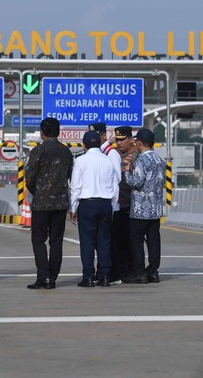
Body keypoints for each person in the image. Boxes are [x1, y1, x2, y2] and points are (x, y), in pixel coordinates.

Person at [25, 117, 73, 290]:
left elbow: (29, 178)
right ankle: (52, 277)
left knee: (38, 240)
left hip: (41, 203)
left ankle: (43, 277)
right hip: (60, 203)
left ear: (42, 133)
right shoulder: (66, 152)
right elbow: (70, 175)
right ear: (58, 132)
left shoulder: (38, 151)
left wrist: (37, 192)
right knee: (56, 241)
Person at [70, 131, 119, 287]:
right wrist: (112, 205)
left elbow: (75, 186)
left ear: (84, 145)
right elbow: (114, 184)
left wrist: (73, 207)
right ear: (99, 143)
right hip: (105, 203)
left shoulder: (80, 161)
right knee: (104, 241)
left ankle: (88, 276)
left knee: (87, 242)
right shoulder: (108, 160)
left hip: (87, 204)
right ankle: (104, 275)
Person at [123, 128, 166, 284]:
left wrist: (128, 171)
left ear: (139, 142)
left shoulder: (141, 160)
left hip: (140, 209)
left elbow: (136, 182)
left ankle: (140, 272)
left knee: (137, 241)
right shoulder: (160, 160)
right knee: (154, 240)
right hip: (155, 209)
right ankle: (153, 271)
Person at [109, 126, 138, 285]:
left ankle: (130, 270)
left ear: (130, 139)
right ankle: (119, 270)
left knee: (129, 241)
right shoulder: (114, 154)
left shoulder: (136, 155)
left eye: (122, 140)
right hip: (117, 204)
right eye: (117, 140)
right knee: (116, 240)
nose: (119, 143)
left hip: (131, 204)